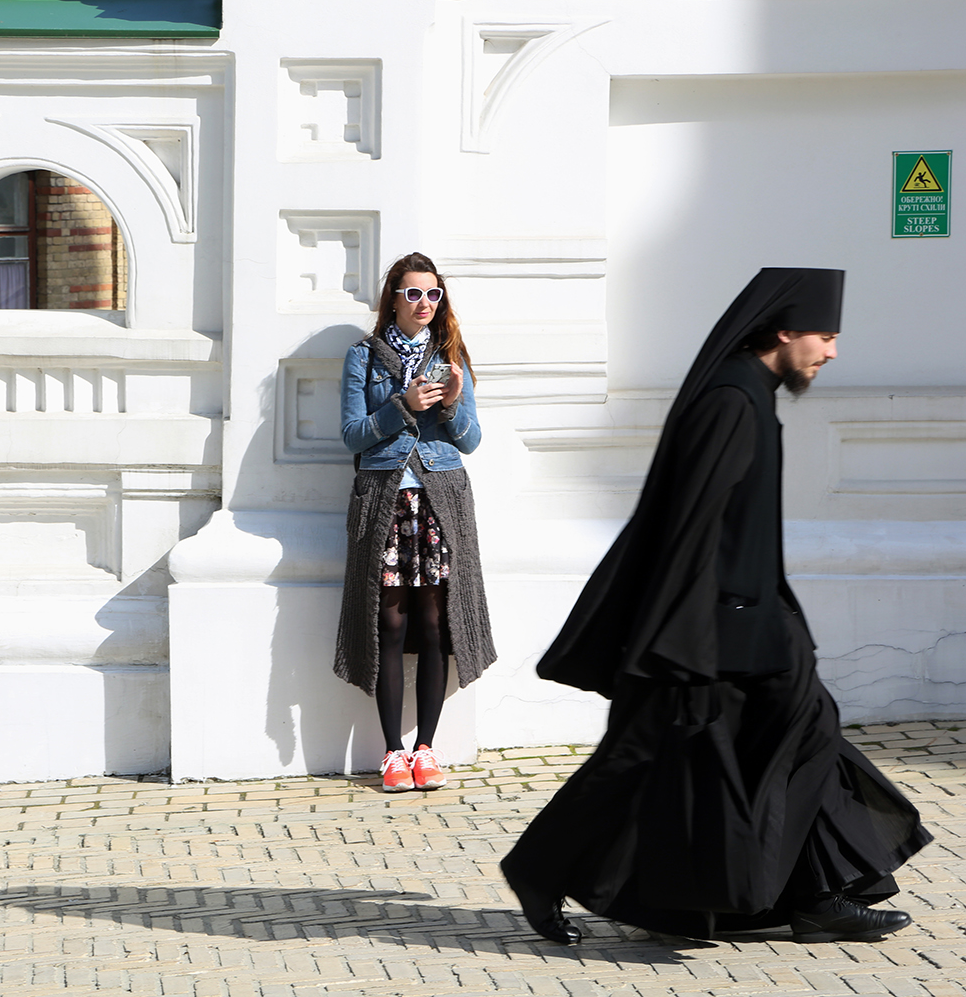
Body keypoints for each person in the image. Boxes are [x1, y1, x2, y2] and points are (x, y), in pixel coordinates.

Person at [500, 268, 931, 945]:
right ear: (785, 330)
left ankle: (819, 894)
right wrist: (684, 642)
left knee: (808, 736)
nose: (833, 352)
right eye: (825, 336)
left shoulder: (751, 394)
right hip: (702, 634)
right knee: (639, 757)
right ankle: (539, 868)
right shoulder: (731, 401)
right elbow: (687, 527)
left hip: (755, 627)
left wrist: (784, 621)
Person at [334, 252, 496, 792]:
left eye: (433, 294)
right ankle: (391, 753)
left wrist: (449, 406)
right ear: (393, 299)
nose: (424, 304)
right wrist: (401, 405)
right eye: (413, 293)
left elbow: (470, 441)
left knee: (433, 624)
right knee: (390, 622)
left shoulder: (450, 356)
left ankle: (426, 749)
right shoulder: (364, 357)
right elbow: (354, 436)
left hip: (440, 501)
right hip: (385, 499)